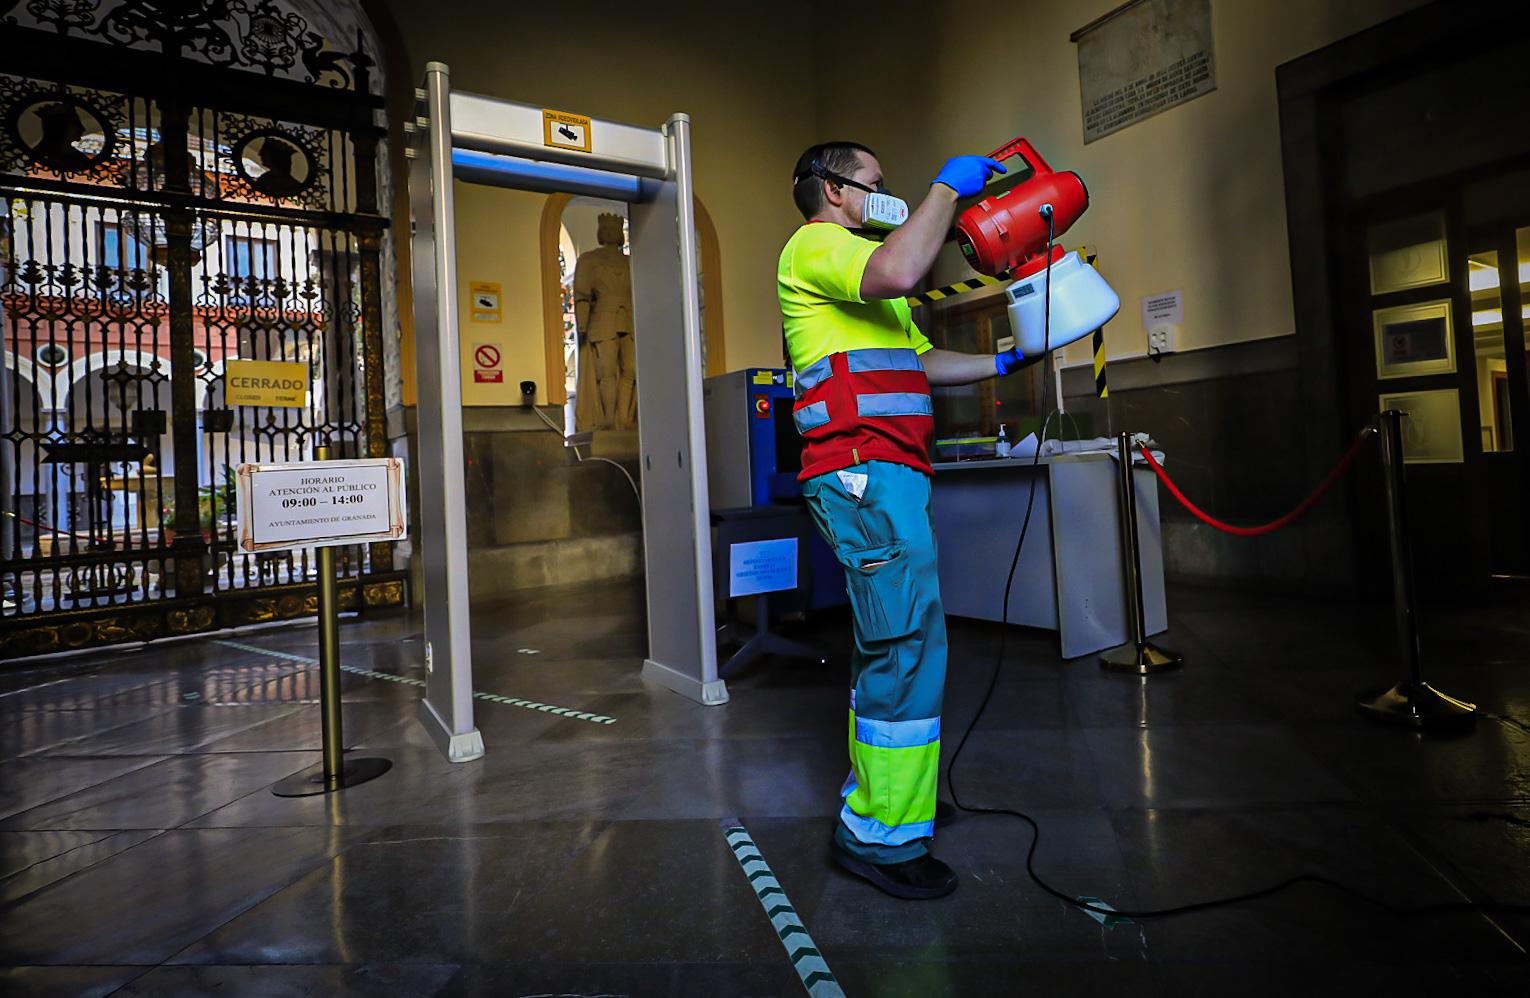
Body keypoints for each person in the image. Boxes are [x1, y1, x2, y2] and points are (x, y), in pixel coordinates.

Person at [778, 142, 1036, 900]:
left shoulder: (868, 279)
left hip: (891, 477)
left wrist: (1004, 363)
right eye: (876, 183)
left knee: (893, 641)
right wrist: (943, 191)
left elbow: (919, 364)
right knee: (905, 644)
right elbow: (899, 266)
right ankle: (881, 837)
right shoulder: (819, 244)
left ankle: (898, 801)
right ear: (832, 190)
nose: (886, 194)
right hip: (863, 477)